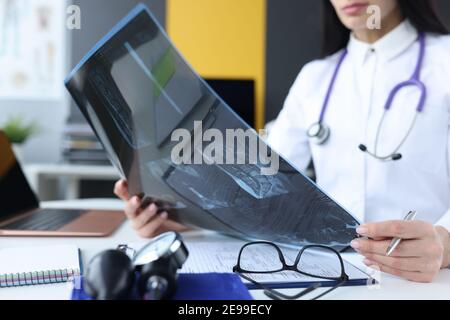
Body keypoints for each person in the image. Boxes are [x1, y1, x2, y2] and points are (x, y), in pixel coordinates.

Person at [115, 0, 450, 282]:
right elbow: (261, 186)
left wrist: (444, 243)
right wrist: (175, 216)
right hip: (337, 277)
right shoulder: (315, 77)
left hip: (431, 283)